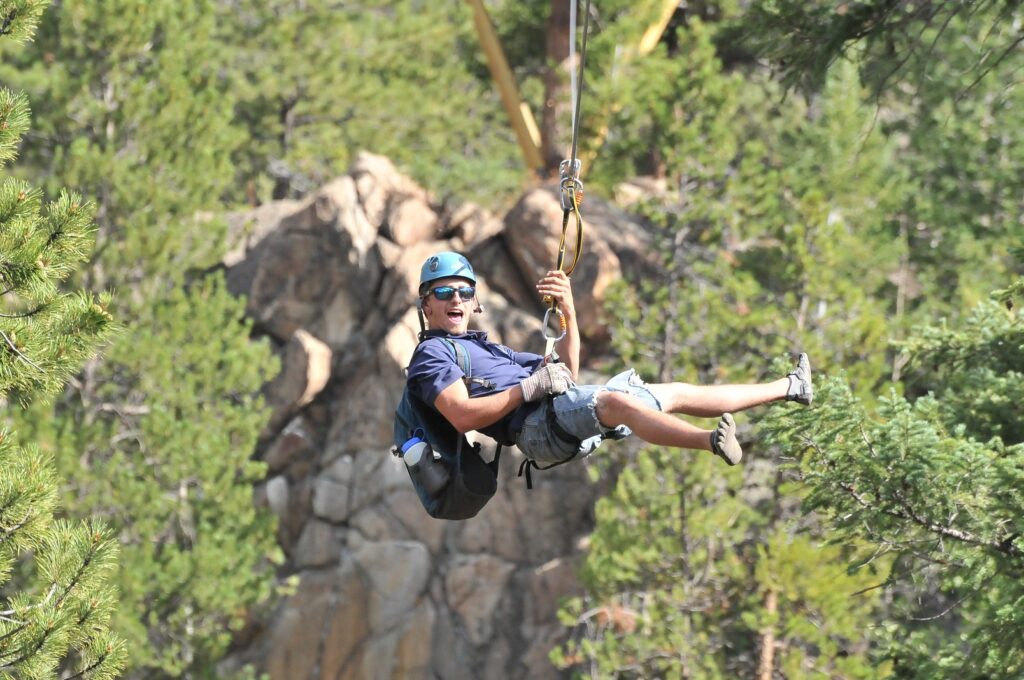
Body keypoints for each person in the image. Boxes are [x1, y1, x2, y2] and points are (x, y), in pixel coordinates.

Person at [406, 251, 813, 468]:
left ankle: (791, 387)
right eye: (443, 293)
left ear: (474, 301)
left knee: (674, 393)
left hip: (556, 415)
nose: (455, 299)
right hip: (536, 430)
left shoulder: (488, 349)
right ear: (427, 305)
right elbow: (461, 416)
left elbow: (568, 373)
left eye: (463, 291)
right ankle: (710, 441)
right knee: (614, 402)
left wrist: (569, 312)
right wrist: (527, 389)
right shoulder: (432, 354)